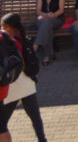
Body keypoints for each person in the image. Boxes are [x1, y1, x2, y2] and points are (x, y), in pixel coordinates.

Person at [0, 13, 47, 142]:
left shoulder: (11, 42)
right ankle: (41, 139)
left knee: (2, 123)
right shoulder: (22, 37)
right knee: (35, 116)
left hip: (14, 85)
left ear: (7, 26)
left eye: (2, 26)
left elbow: (19, 63)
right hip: (27, 83)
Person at [34, 0, 65, 66]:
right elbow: (38, 11)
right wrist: (46, 15)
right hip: (43, 19)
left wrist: (52, 15)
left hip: (56, 19)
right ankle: (47, 55)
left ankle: (35, 45)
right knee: (47, 27)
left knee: (47, 23)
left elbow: (61, 10)